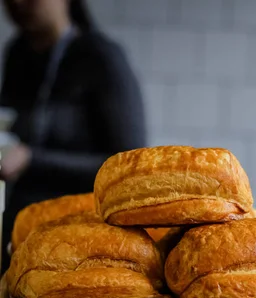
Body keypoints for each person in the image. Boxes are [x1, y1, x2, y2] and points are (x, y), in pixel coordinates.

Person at [0, 0, 146, 271]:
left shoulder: (101, 57)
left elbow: (129, 165)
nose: (18, 3)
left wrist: (32, 159)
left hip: (81, 241)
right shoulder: (18, 53)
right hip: (21, 231)